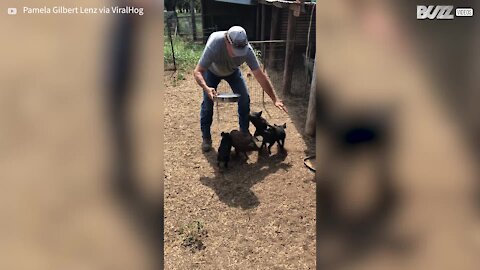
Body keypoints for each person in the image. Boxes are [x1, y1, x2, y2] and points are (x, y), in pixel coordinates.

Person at [193, 26, 288, 152]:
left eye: (241, 50)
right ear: (227, 41)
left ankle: (244, 132)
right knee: (207, 104)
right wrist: (206, 88)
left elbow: (260, 75)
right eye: (235, 50)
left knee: (244, 98)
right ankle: (206, 137)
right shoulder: (215, 43)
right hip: (212, 72)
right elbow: (197, 71)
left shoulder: (247, 50)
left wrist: (275, 99)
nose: (238, 53)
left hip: (233, 72)